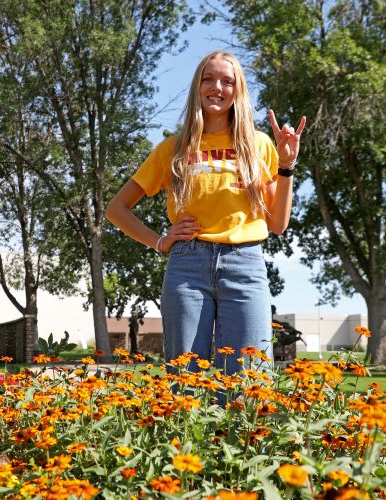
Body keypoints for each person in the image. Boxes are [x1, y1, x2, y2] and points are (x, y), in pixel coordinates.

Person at [106, 50, 305, 375]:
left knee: (249, 382)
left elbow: (278, 224)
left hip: (246, 266)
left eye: (227, 81)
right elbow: (116, 208)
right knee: (186, 383)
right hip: (187, 266)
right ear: (197, 87)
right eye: (208, 79)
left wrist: (286, 166)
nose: (217, 87)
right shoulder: (173, 149)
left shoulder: (258, 144)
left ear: (237, 90)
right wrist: (160, 241)